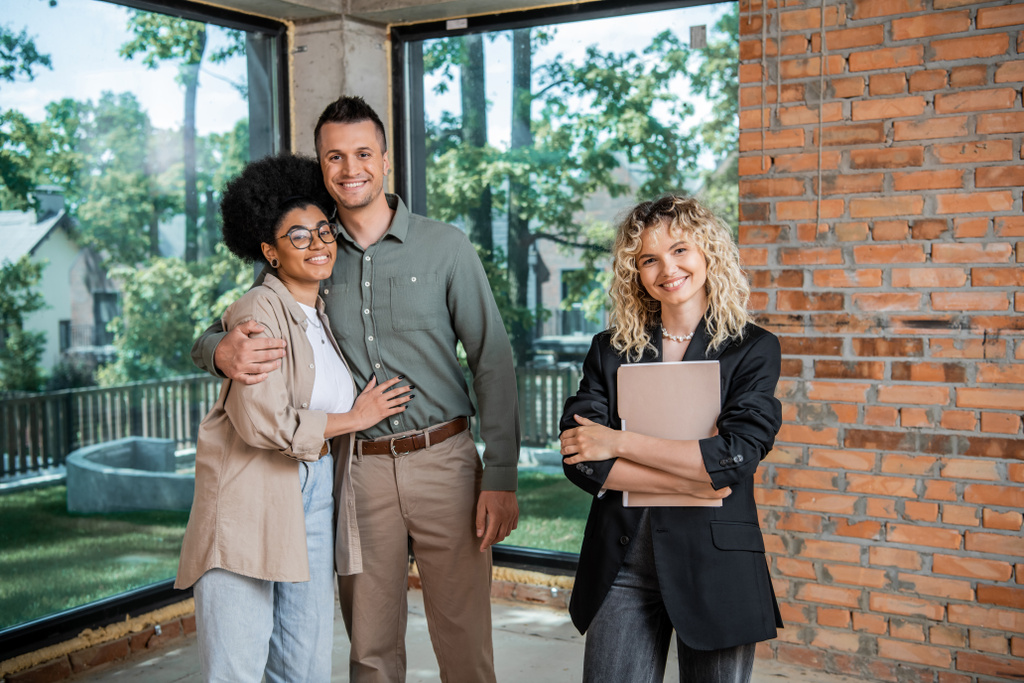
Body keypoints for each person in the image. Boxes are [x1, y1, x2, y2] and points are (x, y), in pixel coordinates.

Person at [191, 96, 520, 683]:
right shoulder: (310, 251)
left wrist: (500, 475)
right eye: (334, 157)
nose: (350, 169)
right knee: (368, 649)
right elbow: (231, 324)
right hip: (357, 471)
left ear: (386, 160)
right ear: (321, 166)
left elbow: (493, 359)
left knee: (465, 644)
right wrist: (216, 351)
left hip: (445, 461)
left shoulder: (446, 247)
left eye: (363, 153)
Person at [175, 154, 411, 682]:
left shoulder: (321, 314)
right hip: (250, 492)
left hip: (316, 486)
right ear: (270, 252)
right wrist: (357, 417)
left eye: (323, 232)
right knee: (237, 664)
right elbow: (266, 423)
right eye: (298, 237)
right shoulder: (260, 310)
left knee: (303, 662)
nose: (319, 244)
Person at [559, 195, 783, 682]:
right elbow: (579, 456)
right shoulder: (610, 349)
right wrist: (689, 481)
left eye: (680, 250)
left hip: (715, 562)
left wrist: (618, 443)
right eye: (649, 259)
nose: (668, 268)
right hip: (621, 563)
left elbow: (733, 456)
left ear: (707, 253)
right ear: (634, 272)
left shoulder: (753, 350)